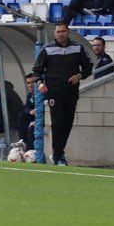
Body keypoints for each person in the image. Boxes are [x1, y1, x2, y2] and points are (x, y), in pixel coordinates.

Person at [32, 22, 93, 166]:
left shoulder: (77, 47)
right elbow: (36, 70)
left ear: (68, 32)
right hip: (54, 91)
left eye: (63, 31)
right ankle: (58, 155)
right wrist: (40, 83)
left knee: (68, 123)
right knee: (57, 123)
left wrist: (80, 75)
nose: (61, 34)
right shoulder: (47, 49)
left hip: (71, 91)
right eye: (58, 32)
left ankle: (58, 152)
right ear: (54, 33)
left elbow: (88, 67)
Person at [19, 74, 37, 145]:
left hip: (41, 118)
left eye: (33, 82)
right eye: (28, 83)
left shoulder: (42, 93)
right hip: (33, 116)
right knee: (21, 116)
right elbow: (26, 107)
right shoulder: (30, 94)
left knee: (31, 127)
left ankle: (29, 147)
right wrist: (30, 111)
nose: (30, 85)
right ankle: (23, 141)